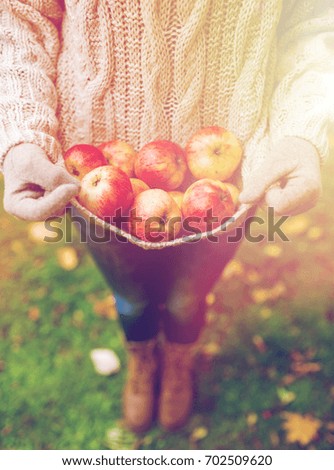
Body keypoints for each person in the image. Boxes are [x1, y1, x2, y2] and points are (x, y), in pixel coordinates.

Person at [1, 0, 333, 433]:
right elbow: (22, 13)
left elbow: (312, 19)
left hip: (230, 180)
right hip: (96, 174)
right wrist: (24, 134)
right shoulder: (95, 177)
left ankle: (178, 360)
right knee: (131, 296)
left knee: (188, 296)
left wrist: (301, 131)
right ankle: (142, 360)